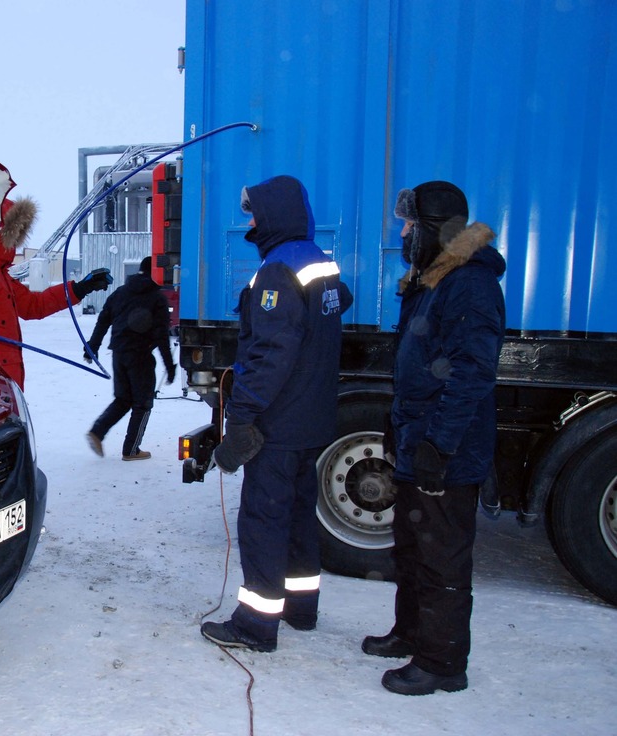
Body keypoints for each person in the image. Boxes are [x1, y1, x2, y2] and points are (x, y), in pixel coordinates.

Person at [363, 181, 505, 696]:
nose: (401, 232)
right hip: (417, 439)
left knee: (442, 556)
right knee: (412, 547)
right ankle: (411, 633)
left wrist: (438, 445)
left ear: (433, 228)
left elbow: (471, 372)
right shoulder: (430, 279)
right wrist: (399, 428)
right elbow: (419, 365)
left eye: (407, 224)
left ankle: (443, 664)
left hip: (447, 452)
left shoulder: (469, 284)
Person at [199, 175, 352, 652]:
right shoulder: (318, 261)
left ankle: (255, 625)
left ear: (273, 216)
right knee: (300, 516)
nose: (249, 221)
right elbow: (335, 305)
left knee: (264, 520)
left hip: (279, 422)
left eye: (254, 213)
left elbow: (271, 354)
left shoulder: (277, 271)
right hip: (313, 419)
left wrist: (241, 417)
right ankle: (301, 608)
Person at [0, 196, 112, 390]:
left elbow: (33, 306)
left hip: (5, 379)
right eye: (16, 229)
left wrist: (80, 288)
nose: (18, 238)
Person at [83, 256, 176, 461]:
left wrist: (93, 347)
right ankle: (132, 449)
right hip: (140, 355)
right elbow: (161, 336)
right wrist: (170, 367)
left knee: (124, 399)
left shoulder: (121, 292)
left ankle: (97, 432)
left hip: (119, 353)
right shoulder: (156, 298)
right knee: (143, 403)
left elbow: (103, 320)